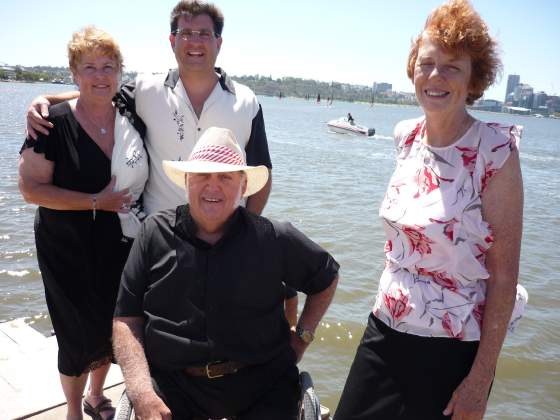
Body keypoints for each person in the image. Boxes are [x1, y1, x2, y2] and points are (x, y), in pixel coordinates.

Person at [335, 1, 527, 419]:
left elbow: (505, 276)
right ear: (413, 70)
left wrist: (479, 381)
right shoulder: (405, 136)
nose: (436, 77)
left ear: (474, 79)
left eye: (452, 67)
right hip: (385, 326)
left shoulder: (495, 152)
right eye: (427, 64)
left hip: (452, 346)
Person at [112, 127, 339, 419]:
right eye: (202, 176)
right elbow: (126, 320)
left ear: (243, 187)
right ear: (186, 181)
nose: (212, 187)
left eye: (225, 177)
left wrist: (303, 336)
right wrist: (140, 391)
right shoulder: (153, 233)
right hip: (174, 386)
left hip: (263, 385)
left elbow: (327, 277)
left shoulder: (274, 237)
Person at [25, 0, 272, 216]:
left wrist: (246, 227)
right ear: (172, 40)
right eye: (185, 32)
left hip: (225, 234)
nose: (194, 41)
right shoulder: (145, 89)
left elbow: (263, 173)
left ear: (218, 43)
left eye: (204, 33)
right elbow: (99, 92)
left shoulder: (247, 101)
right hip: (160, 235)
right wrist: (47, 99)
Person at [18, 27, 148, 420]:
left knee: (110, 324)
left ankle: (96, 395)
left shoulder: (131, 114)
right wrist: (96, 201)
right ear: (74, 73)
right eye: (89, 67)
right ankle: (74, 410)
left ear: (120, 73)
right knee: (75, 333)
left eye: (108, 66)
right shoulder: (52, 124)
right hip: (65, 246)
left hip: (119, 241)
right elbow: (30, 189)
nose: (99, 75)